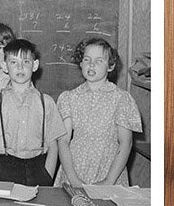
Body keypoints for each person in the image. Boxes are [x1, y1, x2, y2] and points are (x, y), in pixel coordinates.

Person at [56, 37, 142, 186]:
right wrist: (73, 179)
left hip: (110, 172)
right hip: (74, 171)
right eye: (87, 59)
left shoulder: (121, 99)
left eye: (99, 61)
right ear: (81, 63)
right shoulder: (69, 98)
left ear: (110, 66)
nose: (92, 65)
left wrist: (109, 181)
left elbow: (125, 143)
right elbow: (63, 141)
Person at [0, 39, 65, 186]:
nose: (20, 67)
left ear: (35, 65)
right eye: (13, 62)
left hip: (38, 168)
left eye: (26, 62)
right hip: (4, 167)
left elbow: (53, 145)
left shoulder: (46, 102)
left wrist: (47, 175)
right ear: (4, 66)